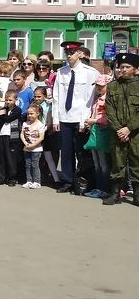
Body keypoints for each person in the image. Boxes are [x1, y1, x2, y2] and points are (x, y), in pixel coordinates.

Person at [51, 40, 100, 195]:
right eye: (67, 53)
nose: (69, 56)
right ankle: (67, 181)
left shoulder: (90, 72)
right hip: (65, 117)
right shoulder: (61, 72)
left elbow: (90, 98)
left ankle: (84, 181)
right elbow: (57, 97)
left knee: (82, 152)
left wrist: (84, 120)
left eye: (72, 53)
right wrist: (55, 119)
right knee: (66, 153)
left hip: (80, 118)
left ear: (79, 53)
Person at [103, 52, 139, 206]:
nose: (123, 70)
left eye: (127, 67)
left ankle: (137, 194)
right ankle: (116, 193)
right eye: (121, 67)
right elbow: (109, 109)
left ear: (136, 69)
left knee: (137, 162)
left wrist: (129, 129)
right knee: (117, 163)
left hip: (136, 133)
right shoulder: (112, 86)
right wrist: (119, 129)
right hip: (117, 132)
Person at [83, 75, 112, 199]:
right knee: (97, 163)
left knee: (103, 163)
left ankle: (104, 189)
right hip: (95, 132)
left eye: (101, 85)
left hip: (103, 132)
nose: (98, 87)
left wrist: (93, 121)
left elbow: (107, 118)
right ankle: (99, 188)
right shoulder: (97, 98)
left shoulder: (108, 100)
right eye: (97, 85)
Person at [0, 91, 23, 187]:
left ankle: (11, 178)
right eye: (6, 100)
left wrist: (1, 114)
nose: (8, 102)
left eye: (10, 100)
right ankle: (0, 177)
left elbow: (8, 119)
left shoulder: (17, 110)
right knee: (0, 157)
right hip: (1, 135)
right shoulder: (3, 109)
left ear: (15, 100)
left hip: (12, 136)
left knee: (11, 158)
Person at [21, 104, 46, 190]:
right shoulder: (25, 123)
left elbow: (41, 137)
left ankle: (37, 182)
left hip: (36, 149)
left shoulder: (40, 125)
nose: (29, 115)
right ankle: (29, 181)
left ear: (38, 114)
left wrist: (33, 145)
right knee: (27, 165)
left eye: (32, 113)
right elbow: (22, 134)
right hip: (26, 148)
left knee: (35, 165)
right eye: (28, 114)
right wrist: (26, 143)